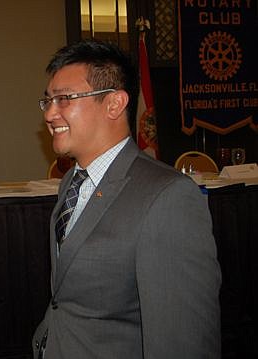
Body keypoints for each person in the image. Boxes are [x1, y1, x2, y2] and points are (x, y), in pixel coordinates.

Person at [32, 40, 221, 358]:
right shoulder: (71, 182)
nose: (50, 114)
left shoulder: (168, 198)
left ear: (114, 104)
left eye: (64, 99)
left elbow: (183, 343)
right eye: (48, 101)